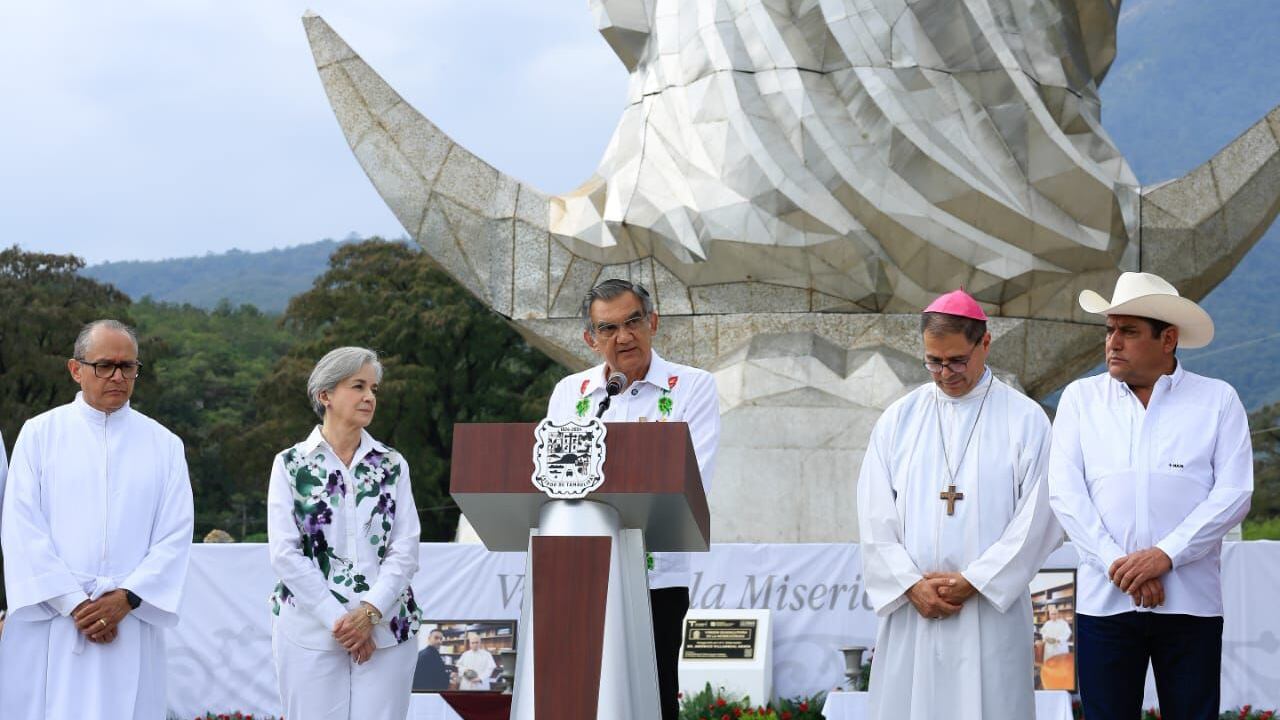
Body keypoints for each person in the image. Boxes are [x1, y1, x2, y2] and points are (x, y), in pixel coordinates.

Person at [1048, 272, 1252, 720]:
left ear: (1168, 339)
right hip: (1105, 601)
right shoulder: (1081, 399)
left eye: (1129, 331)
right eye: (1110, 330)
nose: (1113, 342)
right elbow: (1065, 494)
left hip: (1191, 602)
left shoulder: (1217, 400)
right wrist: (1120, 567)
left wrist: (1165, 555)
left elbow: (1235, 494)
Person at [856, 289, 1063, 720]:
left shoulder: (1025, 420)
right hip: (914, 612)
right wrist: (910, 584)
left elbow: (1040, 516)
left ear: (984, 344)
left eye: (956, 360)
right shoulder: (899, 418)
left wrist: (977, 580)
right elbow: (874, 515)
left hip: (989, 612)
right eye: (934, 361)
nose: (944, 373)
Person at [0, 319, 194, 719]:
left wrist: (126, 598)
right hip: (54, 621)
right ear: (76, 369)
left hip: (131, 620)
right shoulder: (39, 434)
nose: (118, 377)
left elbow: (174, 536)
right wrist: (74, 604)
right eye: (105, 365)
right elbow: (21, 528)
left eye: (129, 367)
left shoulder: (164, 444)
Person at [546, 278, 721, 720]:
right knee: (581, 701)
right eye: (608, 329)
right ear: (591, 338)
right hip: (579, 576)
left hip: (656, 580)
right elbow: (550, 479)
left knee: (652, 700)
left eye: (633, 322)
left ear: (653, 322)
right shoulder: (571, 393)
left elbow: (691, 478)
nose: (623, 337)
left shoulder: (693, 387)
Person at [268, 347, 423, 720]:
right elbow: (285, 553)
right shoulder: (290, 464)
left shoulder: (392, 464)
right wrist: (340, 620)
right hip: (309, 630)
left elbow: (405, 548)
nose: (370, 396)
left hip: (386, 628)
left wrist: (368, 614)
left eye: (373, 388)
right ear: (325, 396)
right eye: (358, 386)